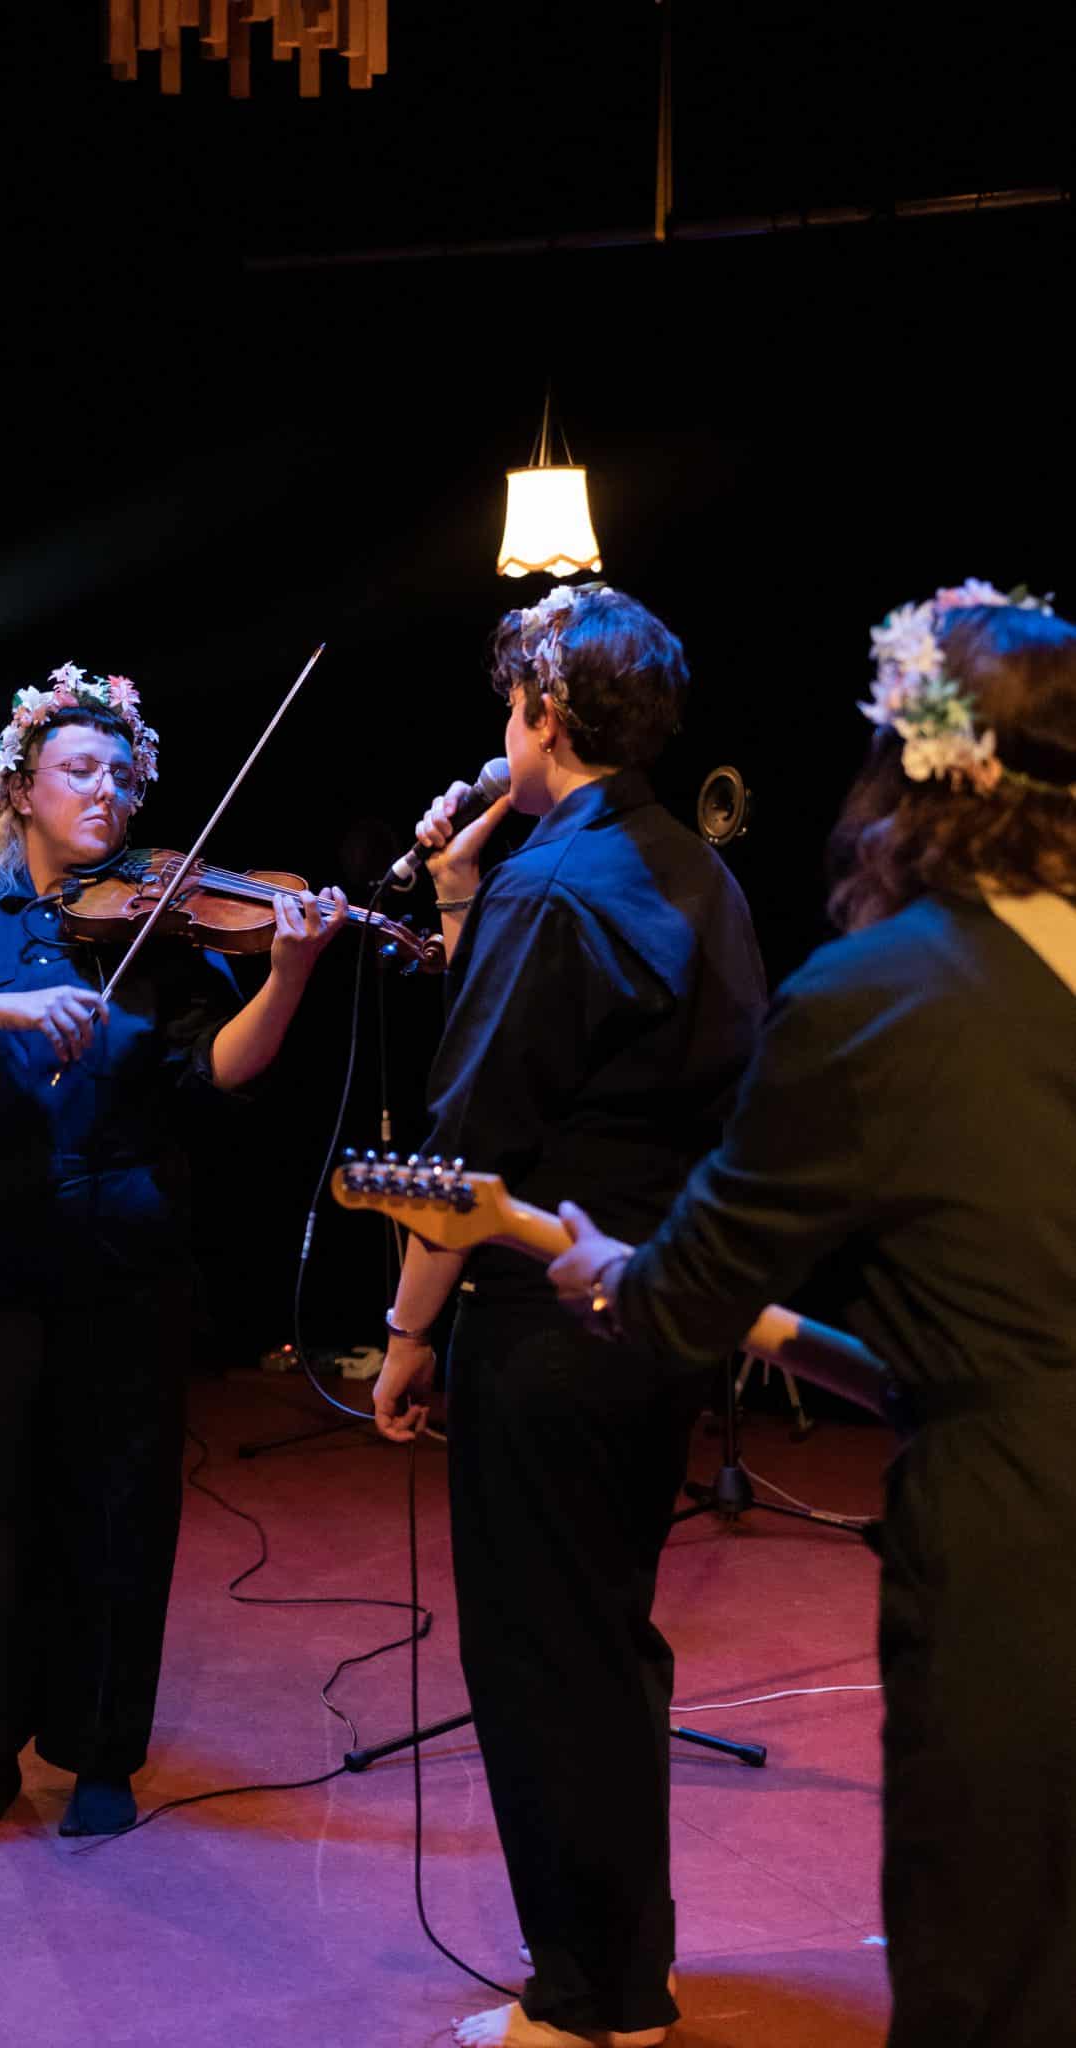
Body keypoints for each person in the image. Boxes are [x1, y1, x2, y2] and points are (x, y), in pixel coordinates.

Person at [547, 586, 1076, 2048]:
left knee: (996, 1969)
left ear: (912, 760)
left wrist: (613, 1274)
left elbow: (680, 1301)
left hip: (1023, 1549)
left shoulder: (876, 991)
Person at [0, 662, 347, 1836]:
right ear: (20, 787)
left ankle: (104, 1752)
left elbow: (220, 1069)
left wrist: (290, 972)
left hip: (121, 1258)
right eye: (80, 769)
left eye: (122, 774)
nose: (106, 791)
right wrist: (1, 1008)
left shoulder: (163, 920)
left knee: (117, 1504)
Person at [370, 587, 767, 2048]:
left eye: (510, 706)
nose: (503, 730)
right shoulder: (690, 867)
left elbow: (467, 1157)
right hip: (657, 1304)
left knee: (544, 1665)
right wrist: (464, 899)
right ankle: (624, 1984)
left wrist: (406, 1335)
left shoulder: (550, 887)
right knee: (606, 1649)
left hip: (544, 1317)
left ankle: (583, 2004)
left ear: (543, 711)